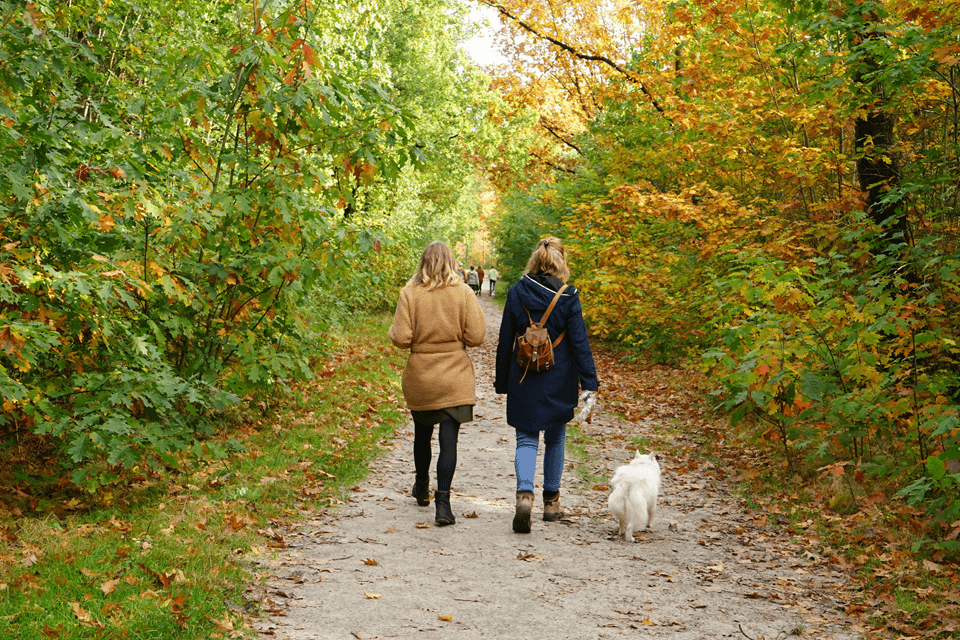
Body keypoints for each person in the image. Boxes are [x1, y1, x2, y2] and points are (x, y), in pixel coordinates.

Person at [494, 237, 598, 533]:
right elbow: (579, 342)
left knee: (526, 438)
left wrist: (503, 381)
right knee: (555, 438)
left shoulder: (516, 292)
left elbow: (504, 341)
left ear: (535, 260)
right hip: (559, 377)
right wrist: (590, 383)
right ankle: (551, 505)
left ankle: (524, 498)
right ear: (561, 261)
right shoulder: (569, 296)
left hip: (523, 375)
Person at [389, 242, 487, 525]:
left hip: (422, 374)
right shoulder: (463, 292)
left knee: (422, 434)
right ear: (451, 261)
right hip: (454, 376)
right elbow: (477, 335)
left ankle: (422, 488)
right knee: (449, 440)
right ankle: (443, 503)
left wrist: (392, 331)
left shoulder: (409, 293)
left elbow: (401, 337)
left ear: (423, 262)